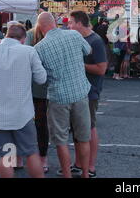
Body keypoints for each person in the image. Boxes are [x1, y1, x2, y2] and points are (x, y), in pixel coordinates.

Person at [0, 24, 47, 178]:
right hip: (22, 114)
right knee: (31, 153)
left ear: (6, 35)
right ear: (23, 39)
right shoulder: (28, 51)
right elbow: (42, 79)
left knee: (7, 155)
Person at [34, 12, 92, 178]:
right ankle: (85, 174)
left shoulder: (39, 48)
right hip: (80, 92)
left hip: (58, 97)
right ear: (55, 22)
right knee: (83, 138)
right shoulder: (73, 34)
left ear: (39, 27)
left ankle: (67, 175)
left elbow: (40, 77)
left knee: (61, 141)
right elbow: (88, 50)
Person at [67, 11, 107, 178]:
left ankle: (90, 166)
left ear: (79, 23)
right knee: (77, 130)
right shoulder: (80, 39)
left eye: (70, 23)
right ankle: (78, 163)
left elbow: (101, 69)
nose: (68, 26)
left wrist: (79, 64)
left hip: (90, 92)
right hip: (77, 91)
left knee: (89, 128)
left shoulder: (95, 41)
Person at [25, 24, 49, 173]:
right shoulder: (29, 35)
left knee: (40, 125)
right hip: (30, 88)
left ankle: (41, 158)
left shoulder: (30, 36)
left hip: (37, 89)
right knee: (35, 125)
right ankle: (39, 159)